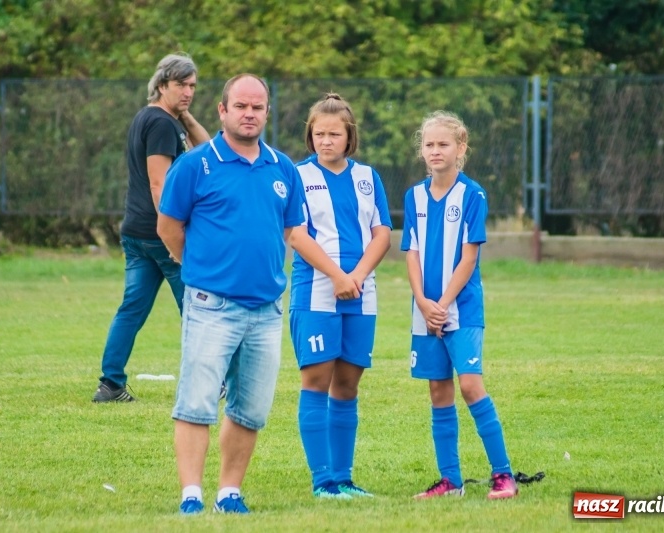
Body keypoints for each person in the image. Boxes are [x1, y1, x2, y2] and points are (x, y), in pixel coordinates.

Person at [157, 73, 306, 515]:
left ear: (266, 113)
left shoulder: (283, 168)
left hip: (266, 310)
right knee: (197, 402)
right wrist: (200, 268)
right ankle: (191, 496)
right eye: (240, 106)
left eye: (257, 107)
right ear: (222, 111)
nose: (249, 114)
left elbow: (286, 230)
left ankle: (229, 492)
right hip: (210, 306)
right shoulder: (196, 164)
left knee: (250, 410)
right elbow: (168, 228)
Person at [402, 111, 518, 501]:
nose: (435, 151)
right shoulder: (414, 196)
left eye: (443, 144)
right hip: (426, 308)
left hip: (462, 308)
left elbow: (468, 258)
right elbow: (412, 253)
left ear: (461, 148)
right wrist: (422, 301)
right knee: (439, 391)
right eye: (429, 145)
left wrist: (443, 303)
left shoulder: (473, 195)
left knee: (470, 385)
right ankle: (449, 481)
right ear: (422, 150)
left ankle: (504, 476)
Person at [287, 94, 392, 499]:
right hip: (316, 292)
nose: (326, 141)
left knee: (347, 385)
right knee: (316, 381)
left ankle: (344, 479)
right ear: (309, 137)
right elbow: (296, 234)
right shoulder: (297, 176)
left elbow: (382, 232)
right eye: (319, 134)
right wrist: (336, 275)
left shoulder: (368, 177)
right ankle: (322, 482)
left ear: (350, 138)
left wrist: (358, 275)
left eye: (335, 134)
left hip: (361, 294)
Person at [92, 53, 210, 403]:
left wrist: (184, 114)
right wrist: (172, 233)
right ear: (161, 85)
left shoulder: (152, 117)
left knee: (131, 309)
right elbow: (160, 185)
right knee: (198, 307)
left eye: (192, 86)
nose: (188, 91)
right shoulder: (161, 124)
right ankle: (209, 381)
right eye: (180, 85)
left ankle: (110, 385)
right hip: (159, 234)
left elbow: (209, 149)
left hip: (135, 231)